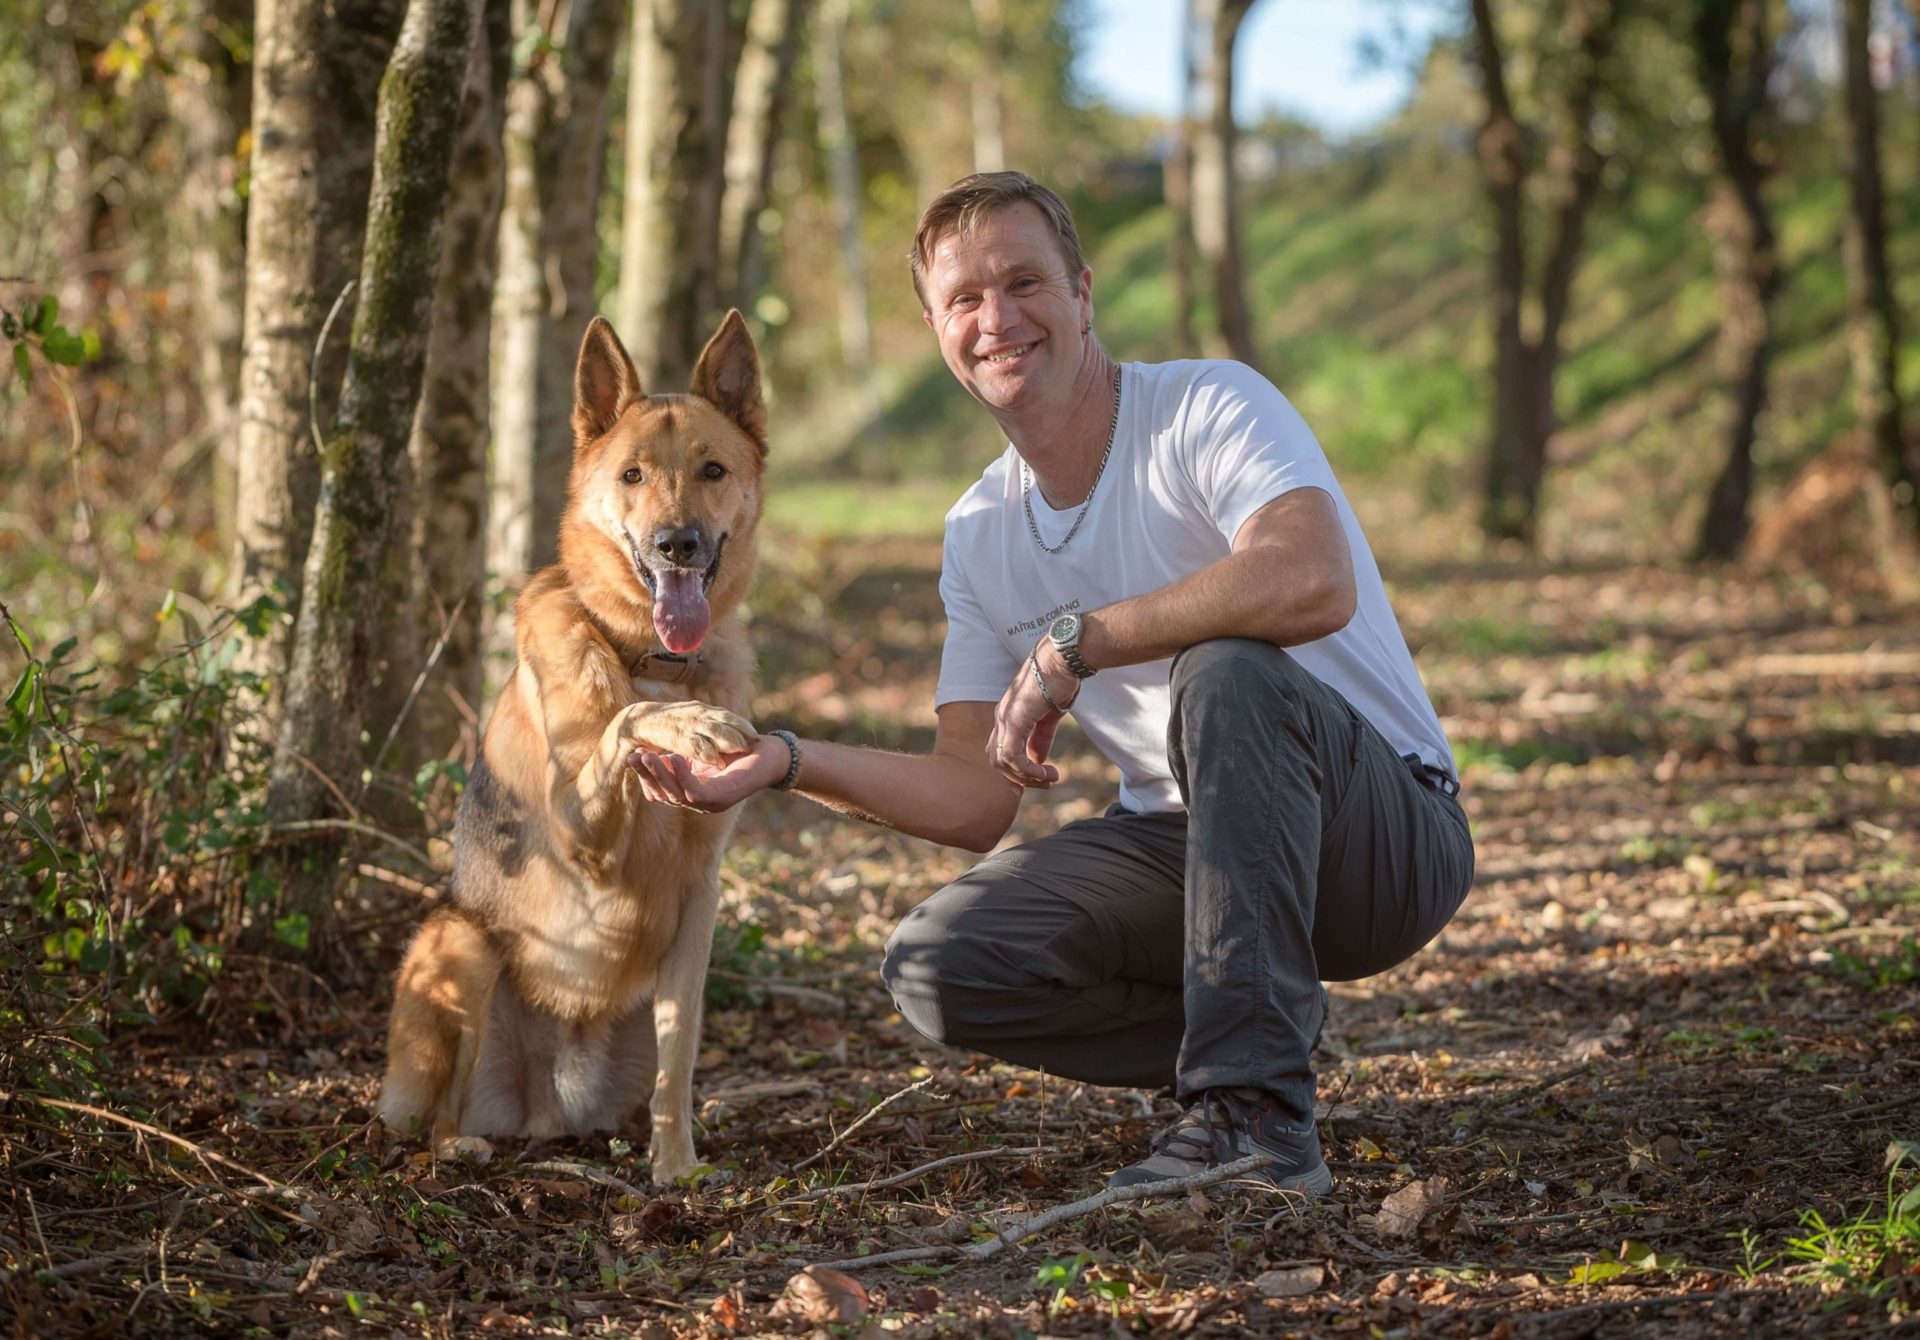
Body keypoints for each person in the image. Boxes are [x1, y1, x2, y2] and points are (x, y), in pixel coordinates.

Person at [626, 171, 1475, 1193]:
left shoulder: (1207, 405)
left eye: (1024, 281)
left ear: (1082, 292)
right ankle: (1253, 1025)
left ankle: (1254, 1117)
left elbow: (1310, 576)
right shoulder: (981, 530)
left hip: (1381, 834)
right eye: (964, 300)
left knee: (1230, 670)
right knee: (940, 962)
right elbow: (971, 794)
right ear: (938, 330)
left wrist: (1078, 641)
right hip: (1191, 847)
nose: (998, 318)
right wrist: (785, 759)